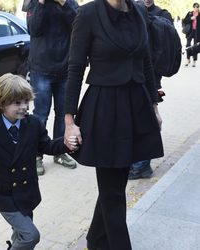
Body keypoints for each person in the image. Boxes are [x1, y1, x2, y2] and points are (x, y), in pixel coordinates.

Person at [64, 0, 164, 249]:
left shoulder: (139, 10)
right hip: (105, 110)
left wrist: (154, 105)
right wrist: (69, 120)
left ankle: (96, 240)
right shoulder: (87, 13)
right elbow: (75, 68)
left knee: (115, 186)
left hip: (135, 106)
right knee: (113, 192)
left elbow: (146, 62)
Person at [0, 73, 77, 250]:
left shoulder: (34, 124)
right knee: (30, 236)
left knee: (20, 235)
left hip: (27, 192)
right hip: (4, 196)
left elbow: (47, 146)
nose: (24, 107)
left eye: (26, 101)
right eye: (17, 103)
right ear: (1, 104)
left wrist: (66, 144)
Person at [26, 0, 79, 175]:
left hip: (65, 68)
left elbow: (78, 25)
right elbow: (33, 29)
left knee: (63, 114)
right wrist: (41, 4)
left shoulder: (69, 2)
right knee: (40, 114)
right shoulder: (34, 2)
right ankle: (36, 154)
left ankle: (59, 151)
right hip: (41, 69)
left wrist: (63, 3)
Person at [129, 0, 172, 180]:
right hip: (135, 76)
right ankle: (137, 163)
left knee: (146, 121)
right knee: (136, 121)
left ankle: (141, 166)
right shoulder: (131, 9)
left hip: (149, 77)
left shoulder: (162, 15)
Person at [183, 2, 200, 67]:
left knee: (195, 46)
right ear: (193, 7)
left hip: (197, 32)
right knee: (188, 45)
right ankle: (188, 59)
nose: (196, 8)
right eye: (195, 7)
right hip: (190, 31)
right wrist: (190, 18)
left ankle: (194, 61)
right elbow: (184, 21)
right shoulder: (190, 13)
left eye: (197, 7)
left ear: (198, 8)